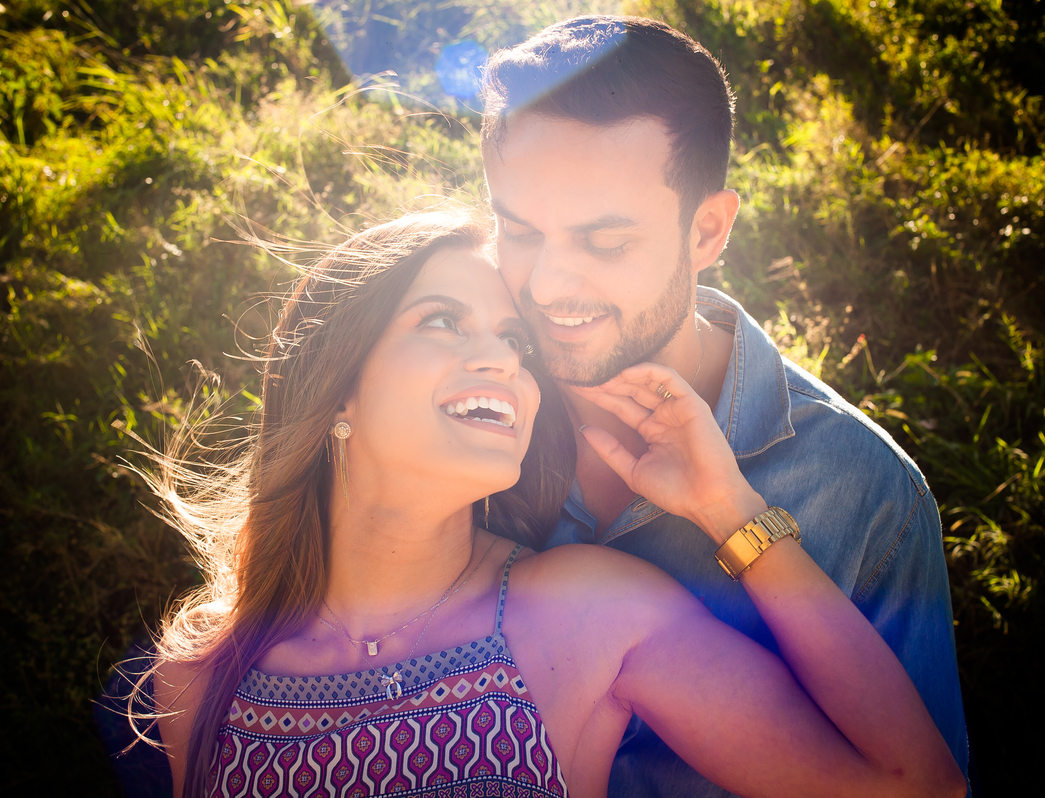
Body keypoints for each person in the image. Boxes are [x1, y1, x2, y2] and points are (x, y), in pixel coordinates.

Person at [146, 211, 964, 798]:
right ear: (336, 388)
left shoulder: (586, 611)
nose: (504, 361)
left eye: (516, 341)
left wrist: (729, 509)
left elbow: (915, 785)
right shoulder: (194, 681)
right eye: (444, 321)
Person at [479, 14, 970, 798]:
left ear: (707, 230)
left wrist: (738, 521)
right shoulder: (456, 415)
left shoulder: (868, 492)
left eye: (605, 242)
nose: (545, 285)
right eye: (519, 232)